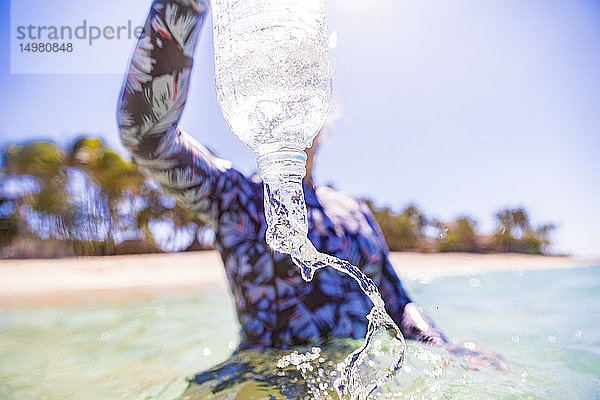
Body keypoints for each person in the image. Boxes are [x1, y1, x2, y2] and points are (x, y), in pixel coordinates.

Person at [118, 0, 505, 370]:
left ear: (322, 110)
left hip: (357, 379)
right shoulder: (234, 197)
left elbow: (398, 303)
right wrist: (183, 7)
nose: (286, 102)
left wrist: (445, 348)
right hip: (263, 377)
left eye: (298, 90)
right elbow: (149, 138)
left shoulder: (356, 214)